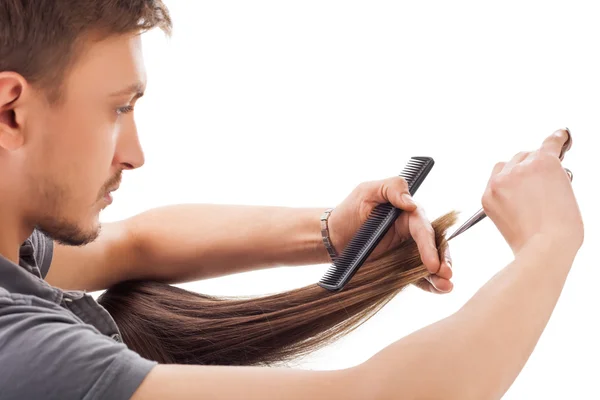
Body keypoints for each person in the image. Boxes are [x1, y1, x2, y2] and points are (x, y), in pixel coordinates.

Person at [0, 1, 582, 399]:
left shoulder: (15, 250)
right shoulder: (24, 351)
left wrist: (331, 233)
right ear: (12, 111)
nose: (135, 152)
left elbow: (131, 243)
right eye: (118, 108)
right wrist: (549, 244)